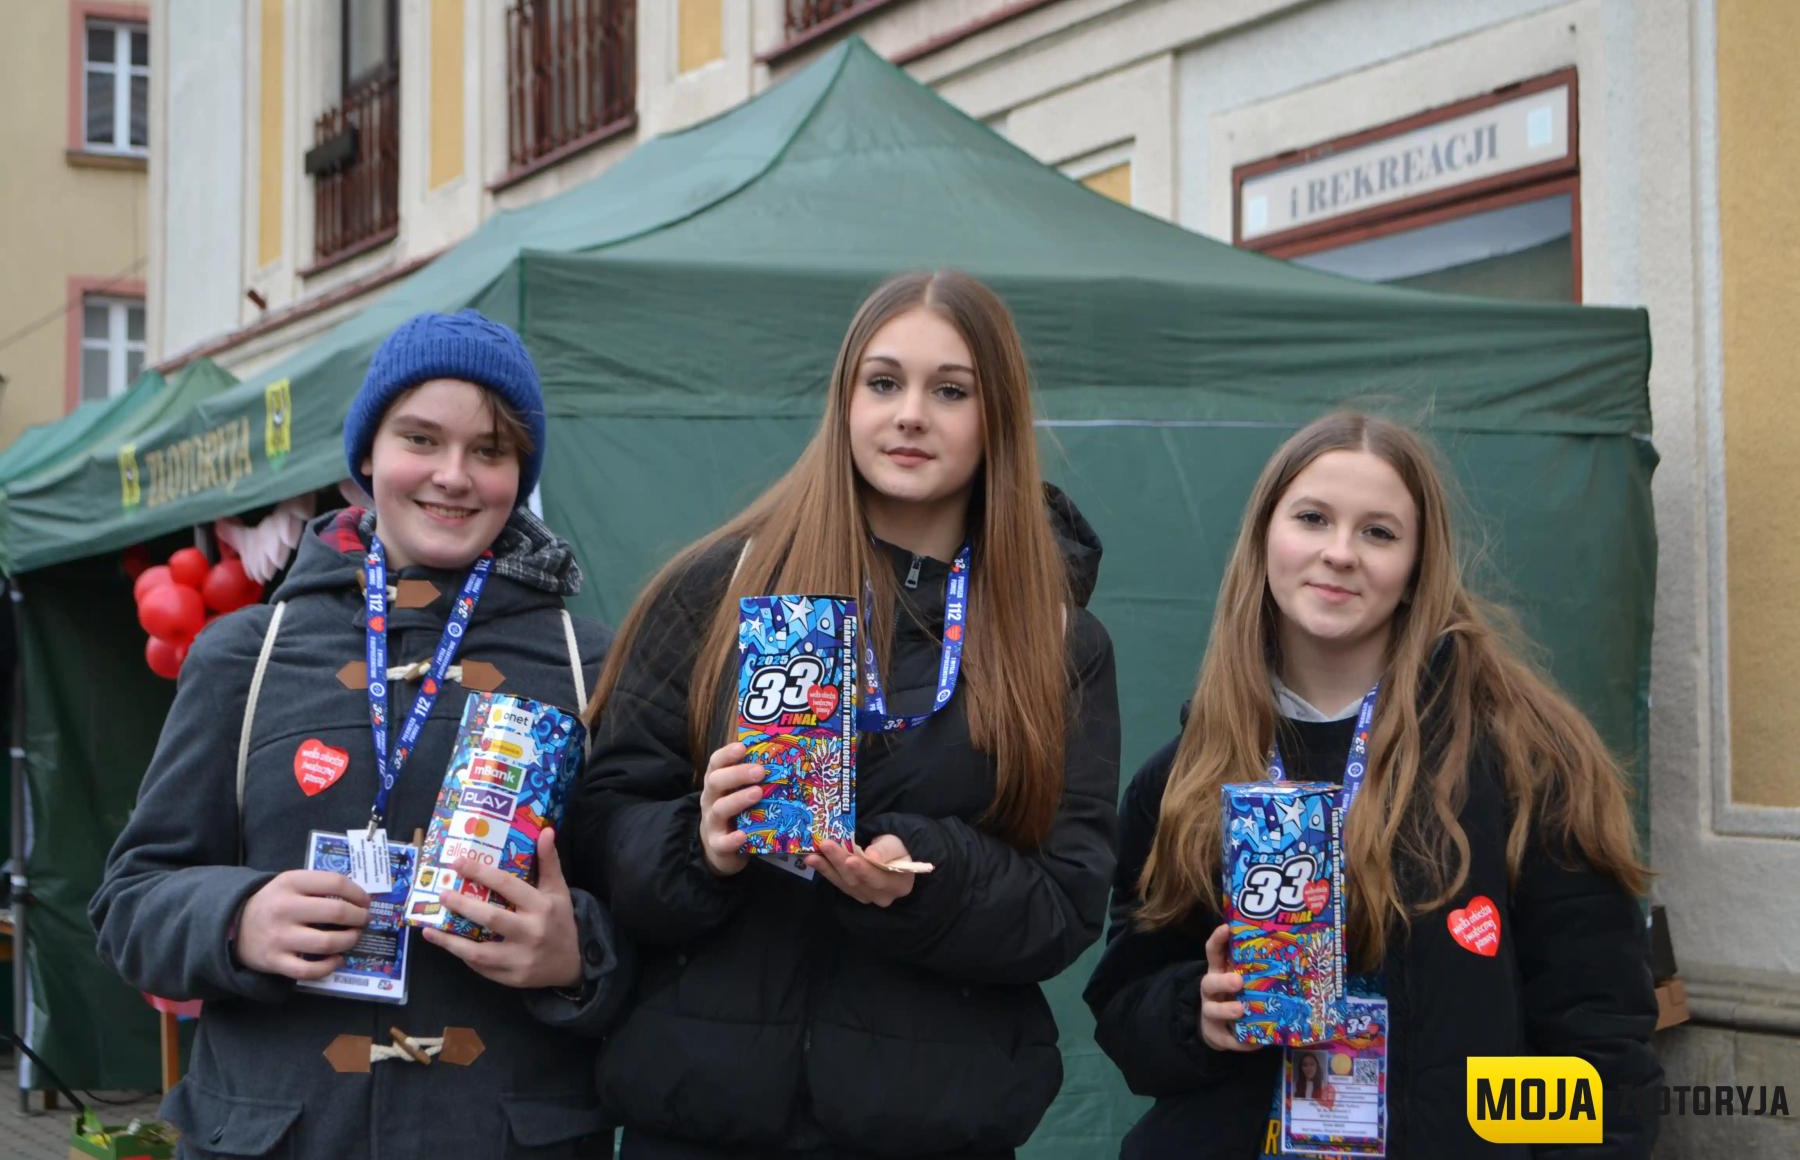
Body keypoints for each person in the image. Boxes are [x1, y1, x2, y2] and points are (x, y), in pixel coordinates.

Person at [568, 270, 1120, 1159]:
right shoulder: (716, 589)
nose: (911, 415)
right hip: (702, 1122)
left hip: (931, 1126)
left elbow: (1065, 902)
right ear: (845, 400)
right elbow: (601, 828)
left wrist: (922, 876)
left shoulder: (1057, 639)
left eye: (950, 391)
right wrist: (698, 844)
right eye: (884, 382)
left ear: (998, 419)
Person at [91, 310, 625, 1159]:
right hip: (282, 1137)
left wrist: (577, 956)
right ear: (367, 453)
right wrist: (238, 918)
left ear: (519, 473)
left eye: (489, 451)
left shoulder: (589, 660)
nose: (453, 476)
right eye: (421, 438)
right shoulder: (247, 653)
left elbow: (656, 933)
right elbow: (128, 905)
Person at [1082, 411, 1660, 1159]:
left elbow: (1594, 1041)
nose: (1339, 553)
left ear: (1420, 565)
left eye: (1379, 533)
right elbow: (1127, 1006)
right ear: (1264, 538)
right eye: (1313, 518)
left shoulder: (1530, 761)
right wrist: (1194, 1011)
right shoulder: (1184, 775)